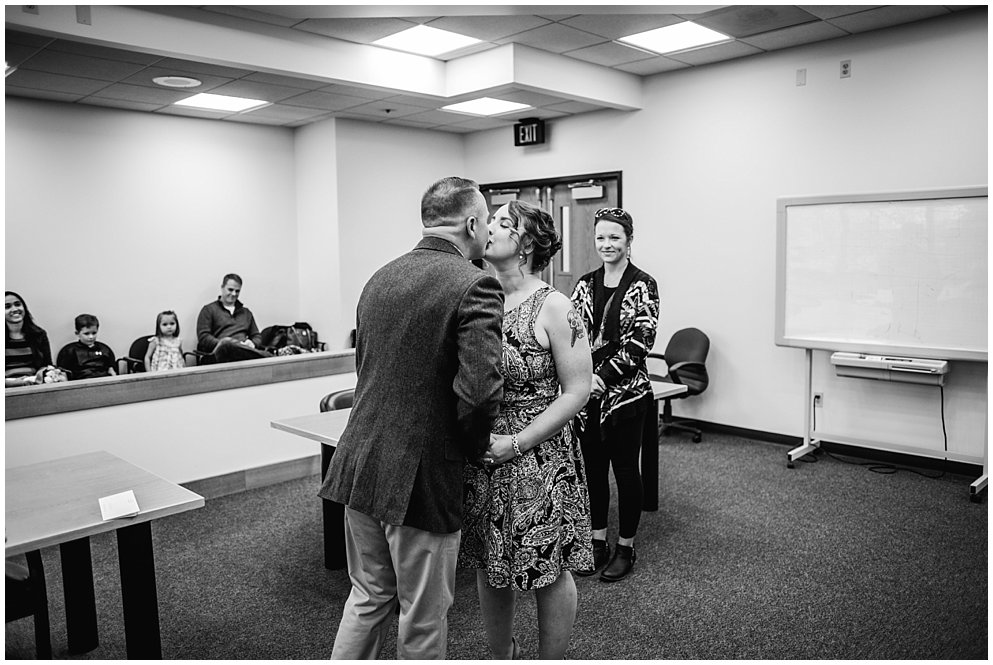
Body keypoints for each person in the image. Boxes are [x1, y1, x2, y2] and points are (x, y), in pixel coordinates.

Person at [318, 176, 504, 660]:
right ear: (470, 223)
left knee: (367, 597)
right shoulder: (475, 283)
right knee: (422, 616)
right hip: (421, 476)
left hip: (359, 463)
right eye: (486, 222)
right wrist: (473, 447)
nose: (488, 232)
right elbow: (481, 393)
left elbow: (366, 371)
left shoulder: (380, 277)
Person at [459, 200, 594, 659]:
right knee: (488, 561)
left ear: (528, 244)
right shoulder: (477, 296)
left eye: (503, 222)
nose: (488, 227)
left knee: (547, 566)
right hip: (483, 453)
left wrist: (516, 443)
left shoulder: (555, 305)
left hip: (538, 456)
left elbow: (577, 391)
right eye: (490, 219)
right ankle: (502, 654)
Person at [570, 206, 660, 583]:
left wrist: (600, 377)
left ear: (629, 241)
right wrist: (580, 377)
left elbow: (642, 340)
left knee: (625, 471)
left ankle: (625, 547)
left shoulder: (644, 284)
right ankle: (597, 541)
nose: (607, 244)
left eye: (615, 238)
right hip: (588, 398)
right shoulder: (584, 284)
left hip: (627, 397)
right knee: (593, 471)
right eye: (601, 238)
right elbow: (571, 331)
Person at [196, 273, 270, 363]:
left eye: (237, 291)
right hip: (221, 353)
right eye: (230, 290)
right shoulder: (208, 310)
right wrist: (224, 344)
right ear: (222, 288)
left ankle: (272, 356)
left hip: (244, 353)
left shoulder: (246, 313)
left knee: (269, 354)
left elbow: (256, 336)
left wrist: (252, 343)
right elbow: (204, 337)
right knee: (226, 343)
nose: (234, 294)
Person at [5, 291, 54, 386]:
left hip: (34, 384)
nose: (14, 309)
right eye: (7, 306)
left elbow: (47, 365)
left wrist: (43, 375)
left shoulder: (39, 335)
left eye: (17, 304)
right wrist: (12, 383)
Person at [56, 313, 117, 380]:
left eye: (94, 333)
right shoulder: (69, 351)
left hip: (104, 382)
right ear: (77, 333)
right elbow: (63, 373)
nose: (91, 337)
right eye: (86, 334)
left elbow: (111, 370)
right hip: (80, 384)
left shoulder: (104, 349)